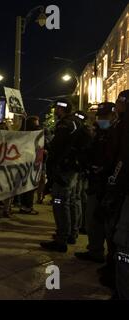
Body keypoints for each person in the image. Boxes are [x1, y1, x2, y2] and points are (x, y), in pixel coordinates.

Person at [74, 102, 115, 264]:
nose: (100, 119)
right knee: (93, 219)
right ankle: (95, 250)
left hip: (109, 184)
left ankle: (112, 259)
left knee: (110, 225)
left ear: (113, 116)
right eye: (99, 116)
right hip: (95, 182)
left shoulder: (117, 133)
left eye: (104, 116)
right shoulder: (99, 133)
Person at [41, 100, 82, 252]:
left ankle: (61, 239)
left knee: (59, 203)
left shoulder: (65, 124)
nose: (54, 111)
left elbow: (57, 148)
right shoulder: (77, 122)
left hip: (63, 170)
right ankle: (71, 233)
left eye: (56, 109)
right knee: (70, 201)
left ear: (61, 109)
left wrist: (52, 167)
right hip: (71, 169)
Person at [104, 90, 129, 298]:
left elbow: (121, 157)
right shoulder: (120, 124)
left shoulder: (125, 126)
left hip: (122, 189)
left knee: (122, 239)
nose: (116, 105)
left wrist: (113, 181)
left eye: (120, 102)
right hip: (121, 187)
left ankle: (121, 288)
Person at [19, 116, 41, 215]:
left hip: (24, 161)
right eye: (37, 122)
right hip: (32, 162)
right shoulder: (36, 132)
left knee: (25, 185)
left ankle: (24, 206)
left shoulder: (23, 132)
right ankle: (28, 207)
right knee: (30, 186)